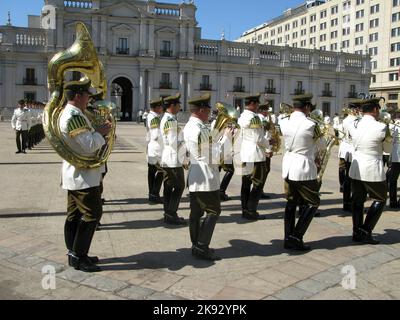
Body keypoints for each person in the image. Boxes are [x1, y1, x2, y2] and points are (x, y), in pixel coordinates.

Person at [60, 78, 112, 272]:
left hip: (77, 174)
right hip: (83, 176)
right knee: (93, 214)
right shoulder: (74, 116)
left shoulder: (74, 114)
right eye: (87, 94)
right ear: (78, 95)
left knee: (74, 215)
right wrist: (101, 132)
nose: (89, 98)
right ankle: (79, 256)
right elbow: (89, 145)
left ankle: (74, 252)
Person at [184, 93, 230, 261]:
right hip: (206, 176)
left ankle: (196, 244)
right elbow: (214, 156)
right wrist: (227, 138)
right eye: (209, 110)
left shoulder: (191, 126)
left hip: (196, 174)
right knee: (213, 210)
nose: (210, 113)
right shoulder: (200, 128)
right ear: (202, 109)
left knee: (196, 212)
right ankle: (202, 246)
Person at [280, 94, 324, 251]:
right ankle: (296, 236)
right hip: (304, 166)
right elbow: (322, 146)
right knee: (313, 202)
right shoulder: (311, 124)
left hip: (288, 165)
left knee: (291, 201)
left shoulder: (283, 121)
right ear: (307, 107)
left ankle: (287, 237)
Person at [349, 98, 392, 245]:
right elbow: (388, 150)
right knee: (380, 198)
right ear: (374, 110)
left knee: (358, 200)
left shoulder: (354, 124)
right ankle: (366, 231)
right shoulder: (381, 127)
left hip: (356, 167)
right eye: (378, 109)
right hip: (372, 167)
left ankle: (356, 231)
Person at [237, 94, 269, 221]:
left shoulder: (241, 117)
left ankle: (244, 209)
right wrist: (269, 143)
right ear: (253, 104)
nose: (258, 107)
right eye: (257, 104)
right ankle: (251, 210)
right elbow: (258, 139)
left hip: (245, 154)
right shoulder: (254, 118)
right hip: (255, 155)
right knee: (258, 183)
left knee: (245, 183)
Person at [160, 93, 187, 225]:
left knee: (169, 186)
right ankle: (171, 213)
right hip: (173, 159)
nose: (179, 107)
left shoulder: (169, 119)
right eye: (178, 104)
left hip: (169, 157)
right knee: (179, 186)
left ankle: (168, 213)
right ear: (172, 105)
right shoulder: (170, 121)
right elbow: (174, 141)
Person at [338, 102, 361, 212]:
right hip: (352, 149)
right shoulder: (355, 121)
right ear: (354, 110)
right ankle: (351, 202)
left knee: (348, 177)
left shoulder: (346, 120)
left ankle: (346, 202)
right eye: (357, 109)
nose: (358, 111)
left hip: (345, 149)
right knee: (353, 177)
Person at [146, 99, 164, 204]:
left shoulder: (151, 116)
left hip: (152, 147)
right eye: (161, 106)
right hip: (156, 148)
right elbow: (156, 134)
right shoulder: (154, 118)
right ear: (157, 107)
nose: (162, 108)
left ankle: (152, 194)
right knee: (161, 170)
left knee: (152, 171)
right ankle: (154, 194)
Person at [258, 103, 274, 200]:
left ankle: (259, 190)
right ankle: (259, 190)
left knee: (263, 171)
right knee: (265, 170)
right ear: (263, 110)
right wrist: (269, 149)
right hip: (264, 149)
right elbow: (265, 136)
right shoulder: (263, 120)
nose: (268, 112)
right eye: (267, 110)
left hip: (262, 148)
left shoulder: (259, 118)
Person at [387, 113, 400, 208]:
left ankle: (392, 201)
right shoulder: (394, 125)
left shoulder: (394, 125)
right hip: (395, 153)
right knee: (393, 179)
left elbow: (391, 139)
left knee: (393, 179)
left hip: (395, 153)